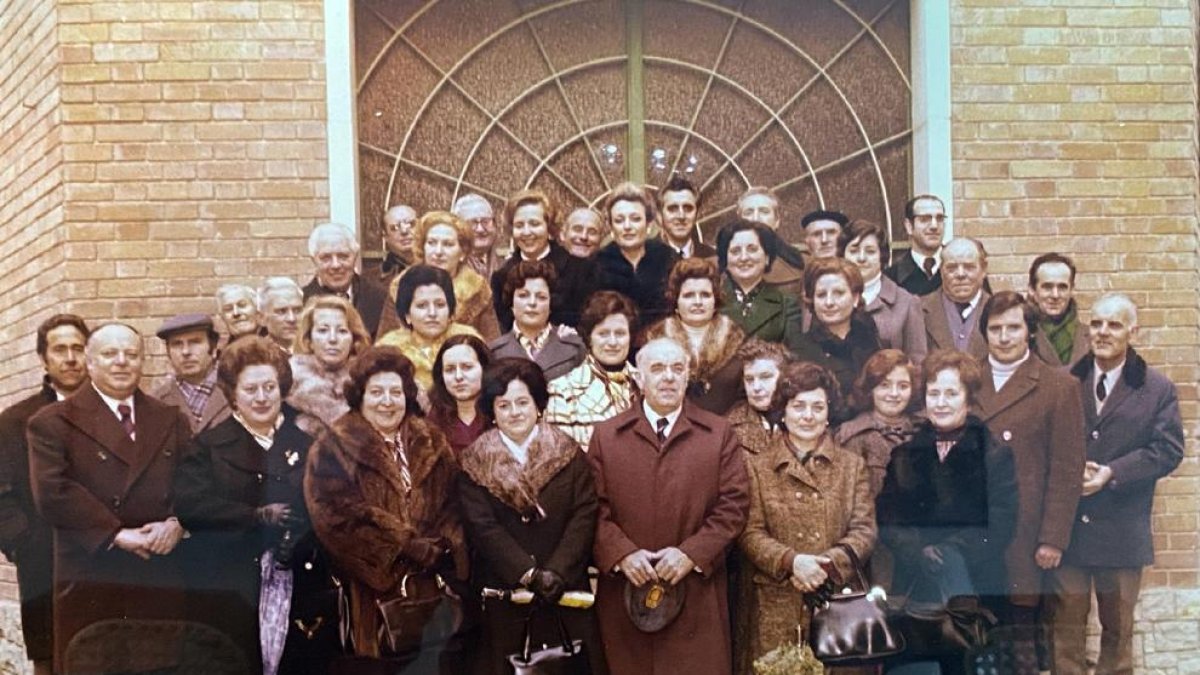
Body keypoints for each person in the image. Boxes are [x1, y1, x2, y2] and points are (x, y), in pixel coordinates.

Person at [28, 323, 192, 674]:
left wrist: (178, 523)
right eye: (109, 354)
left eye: (131, 354)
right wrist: (116, 534)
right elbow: (53, 493)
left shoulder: (169, 419)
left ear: (142, 361)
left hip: (160, 573)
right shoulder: (53, 422)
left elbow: (195, 483)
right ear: (89, 361)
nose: (121, 362)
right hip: (92, 576)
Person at [174, 336, 338, 674]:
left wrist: (302, 534)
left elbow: (331, 508)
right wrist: (255, 516)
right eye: (251, 389)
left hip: (300, 586)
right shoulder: (207, 446)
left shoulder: (310, 445)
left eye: (270, 387)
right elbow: (190, 505)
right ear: (232, 393)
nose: (262, 398)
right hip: (231, 586)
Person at [588, 337, 750, 675]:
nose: (668, 377)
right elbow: (592, 509)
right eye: (657, 368)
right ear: (639, 377)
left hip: (695, 593)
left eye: (677, 368)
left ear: (688, 375)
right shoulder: (607, 436)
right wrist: (621, 554)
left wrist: (691, 553)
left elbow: (733, 506)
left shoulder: (718, 434)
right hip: (627, 595)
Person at [305, 346, 468, 667]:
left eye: (396, 392)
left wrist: (442, 548)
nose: (387, 401)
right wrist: (402, 549)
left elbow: (454, 502)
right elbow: (334, 518)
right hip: (372, 593)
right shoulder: (334, 446)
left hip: (431, 587)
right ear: (360, 396)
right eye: (376, 392)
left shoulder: (432, 440)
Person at [1051, 293, 1184, 675]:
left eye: (1113, 324)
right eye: (1096, 324)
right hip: (1069, 528)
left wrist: (1113, 472)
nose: (1103, 332)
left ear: (1132, 331)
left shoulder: (1157, 388)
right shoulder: (1065, 382)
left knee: (1118, 633)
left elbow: (1168, 450)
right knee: (1066, 629)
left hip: (1122, 528)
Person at [458, 358, 608, 675]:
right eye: (504, 405)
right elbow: (483, 527)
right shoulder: (473, 463)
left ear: (538, 404)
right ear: (492, 411)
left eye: (522, 402)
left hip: (565, 591)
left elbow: (584, 513)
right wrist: (528, 573)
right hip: (507, 594)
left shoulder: (568, 453)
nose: (514, 412)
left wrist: (557, 572)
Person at [876, 349, 1018, 675]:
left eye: (951, 393)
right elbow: (887, 517)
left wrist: (949, 550)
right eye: (933, 393)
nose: (940, 402)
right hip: (916, 588)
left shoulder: (993, 454)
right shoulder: (905, 454)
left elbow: (1002, 521)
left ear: (968, 400)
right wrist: (917, 551)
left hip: (973, 586)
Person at [738, 361, 876, 668]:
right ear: (783, 412)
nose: (808, 416)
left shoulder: (851, 465)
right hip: (775, 604)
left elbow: (864, 530)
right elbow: (749, 531)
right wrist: (793, 562)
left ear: (829, 412)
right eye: (798, 406)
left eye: (818, 406)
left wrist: (827, 565)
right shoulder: (757, 467)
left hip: (836, 603)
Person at [975, 291, 1086, 671]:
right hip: (975, 530)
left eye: (1013, 328)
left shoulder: (1059, 387)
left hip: (1026, 530)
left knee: (1021, 630)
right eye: (995, 329)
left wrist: (1053, 537)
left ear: (1030, 332)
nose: (1003, 337)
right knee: (976, 631)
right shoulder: (965, 379)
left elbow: (1068, 469)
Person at [0, 314, 89, 675]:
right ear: (44, 358)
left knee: (105, 648)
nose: (70, 358)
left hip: (108, 559)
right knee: (50, 659)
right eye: (59, 349)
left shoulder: (112, 413)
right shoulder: (13, 422)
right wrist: (23, 543)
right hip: (44, 560)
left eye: (78, 348)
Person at [643, 257, 746, 414]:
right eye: (689, 295)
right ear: (676, 300)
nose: (697, 302)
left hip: (725, 432)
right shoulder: (654, 341)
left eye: (705, 295)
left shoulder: (737, 341)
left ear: (715, 299)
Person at [378, 210, 502, 340]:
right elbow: (384, 345)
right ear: (422, 247)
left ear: (463, 253)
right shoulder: (400, 286)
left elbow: (492, 345)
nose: (438, 252)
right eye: (432, 243)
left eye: (448, 244)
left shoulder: (478, 290)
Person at [545, 290, 640, 447]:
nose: (613, 342)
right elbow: (559, 459)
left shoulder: (647, 385)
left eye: (620, 333)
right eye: (603, 334)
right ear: (589, 337)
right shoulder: (563, 391)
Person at [490, 188, 595, 330]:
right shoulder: (501, 277)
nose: (526, 232)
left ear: (549, 227)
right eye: (519, 225)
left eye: (534, 224)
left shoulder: (580, 270)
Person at [378, 264, 483, 392]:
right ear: (407, 315)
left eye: (440, 305)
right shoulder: (389, 352)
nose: (432, 313)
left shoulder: (469, 343)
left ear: (450, 311)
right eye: (422, 306)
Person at [835, 348, 920, 499]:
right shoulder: (853, 435)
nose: (894, 394)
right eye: (884, 385)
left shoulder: (923, 429)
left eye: (903, 386)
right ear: (870, 389)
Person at [839, 219, 927, 364]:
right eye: (854, 251)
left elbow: (917, 363)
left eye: (870, 251)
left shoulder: (907, 303)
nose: (861, 258)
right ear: (843, 255)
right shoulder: (825, 298)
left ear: (882, 256)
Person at [593, 181, 680, 326]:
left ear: (648, 225)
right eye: (619, 220)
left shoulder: (668, 258)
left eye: (635, 219)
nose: (627, 227)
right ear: (611, 228)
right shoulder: (596, 263)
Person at [800, 258, 883, 409]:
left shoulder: (872, 341)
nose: (829, 302)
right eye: (821, 295)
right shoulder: (801, 349)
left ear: (856, 298)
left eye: (838, 293)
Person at [287, 295, 373, 434]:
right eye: (323, 330)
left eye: (342, 331)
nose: (332, 339)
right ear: (308, 339)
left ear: (354, 339)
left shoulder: (370, 382)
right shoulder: (288, 384)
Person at [715, 218, 806, 350]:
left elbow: (794, 352)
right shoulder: (711, 301)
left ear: (767, 257)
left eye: (752, 249)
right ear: (725, 260)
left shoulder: (786, 303)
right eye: (735, 251)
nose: (744, 258)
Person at [489, 260, 586, 381]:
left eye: (541, 297)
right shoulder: (495, 352)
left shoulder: (574, 347)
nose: (532, 303)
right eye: (523, 295)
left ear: (551, 303)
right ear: (511, 302)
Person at [301, 222, 389, 337]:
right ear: (314, 260)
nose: (336, 265)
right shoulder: (302, 303)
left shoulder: (380, 298)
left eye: (343, 256)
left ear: (355, 256)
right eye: (326, 258)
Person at [152, 313, 232, 434]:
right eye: (177, 344)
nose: (186, 352)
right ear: (168, 353)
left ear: (214, 348)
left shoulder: (236, 392)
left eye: (195, 342)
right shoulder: (157, 402)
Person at [921, 237, 991, 359]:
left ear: (983, 269)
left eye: (969, 267)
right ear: (941, 271)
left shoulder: (998, 311)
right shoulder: (918, 309)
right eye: (952, 268)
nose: (960, 274)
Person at [428, 334, 492, 458]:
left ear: (485, 368)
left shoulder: (501, 415)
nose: (458, 376)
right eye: (450, 369)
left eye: (467, 367)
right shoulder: (432, 424)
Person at [735, 186, 804, 297]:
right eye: (748, 212)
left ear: (777, 221)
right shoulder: (720, 267)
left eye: (764, 211)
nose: (756, 218)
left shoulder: (800, 264)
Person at [1028, 252, 1090, 368]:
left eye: (1062, 287)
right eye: (1047, 287)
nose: (1055, 295)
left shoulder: (1092, 337)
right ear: (1032, 290)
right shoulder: (1020, 337)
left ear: (1071, 290)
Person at [884, 194, 946, 296]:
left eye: (940, 219)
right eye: (925, 219)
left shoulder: (963, 272)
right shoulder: (890, 279)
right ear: (909, 226)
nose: (934, 226)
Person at [658, 175, 716, 258]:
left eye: (688, 208)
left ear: (697, 213)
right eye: (673, 208)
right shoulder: (645, 258)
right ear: (660, 214)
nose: (681, 216)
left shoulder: (713, 259)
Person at [455, 192, 503, 280]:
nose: (480, 229)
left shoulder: (507, 266)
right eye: (472, 223)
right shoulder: (453, 268)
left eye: (485, 221)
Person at [259, 276, 306, 354]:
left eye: (297, 310)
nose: (291, 319)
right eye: (281, 311)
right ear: (262, 318)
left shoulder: (316, 353)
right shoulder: (254, 356)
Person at [380, 203, 417, 282]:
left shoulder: (439, 269)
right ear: (385, 236)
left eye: (411, 224)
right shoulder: (371, 281)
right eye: (395, 228)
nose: (404, 232)